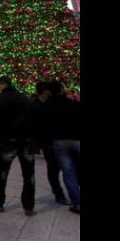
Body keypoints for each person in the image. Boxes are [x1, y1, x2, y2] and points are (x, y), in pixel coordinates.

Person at [0, 76, 36, 216]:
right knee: (29, 175)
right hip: (26, 141)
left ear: (2, 84)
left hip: (8, 141)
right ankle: (29, 206)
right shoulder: (26, 98)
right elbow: (33, 119)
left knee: (2, 173)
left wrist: (1, 137)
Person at [44, 81, 81, 214]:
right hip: (77, 139)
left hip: (59, 141)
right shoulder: (73, 104)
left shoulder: (47, 106)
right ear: (62, 89)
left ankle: (77, 204)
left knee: (68, 172)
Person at [32, 82, 69, 205]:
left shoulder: (46, 104)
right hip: (49, 142)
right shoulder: (37, 106)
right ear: (46, 91)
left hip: (53, 141)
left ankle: (60, 193)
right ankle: (59, 193)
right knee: (54, 169)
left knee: (59, 169)